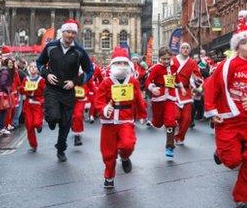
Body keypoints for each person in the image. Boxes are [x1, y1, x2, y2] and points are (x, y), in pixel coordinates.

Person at [203, 10, 247, 208]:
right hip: (228, 121)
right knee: (233, 161)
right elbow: (211, 87)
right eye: (244, 42)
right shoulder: (227, 66)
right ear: (237, 46)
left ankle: (242, 198)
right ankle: (222, 152)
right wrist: (211, 110)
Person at [36, 19, 93, 162]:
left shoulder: (79, 51)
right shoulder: (51, 46)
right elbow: (39, 62)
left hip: (68, 92)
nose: (70, 35)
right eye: (68, 32)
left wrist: (75, 82)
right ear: (63, 32)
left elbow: (89, 70)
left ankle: (61, 148)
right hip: (52, 89)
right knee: (54, 117)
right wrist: (46, 74)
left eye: (73, 33)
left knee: (66, 123)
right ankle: (50, 117)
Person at [94, 47, 147, 188]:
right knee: (108, 153)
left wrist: (142, 113)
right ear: (113, 65)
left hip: (125, 119)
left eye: (124, 63)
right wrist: (104, 108)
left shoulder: (133, 81)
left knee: (127, 144)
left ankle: (124, 157)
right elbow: (98, 100)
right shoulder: (106, 82)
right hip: (109, 122)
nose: (122, 66)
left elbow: (138, 99)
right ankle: (109, 176)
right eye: (118, 63)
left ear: (128, 65)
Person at [144, 47, 179, 159]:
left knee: (170, 121)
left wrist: (181, 87)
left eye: (168, 59)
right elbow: (148, 81)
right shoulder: (156, 68)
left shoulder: (174, 67)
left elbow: (176, 79)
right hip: (159, 97)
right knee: (158, 123)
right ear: (159, 58)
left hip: (170, 97)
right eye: (163, 59)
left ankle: (169, 146)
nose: (166, 61)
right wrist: (152, 88)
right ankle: (156, 121)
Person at [171, 42, 201, 145]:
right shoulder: (173, 60)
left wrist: (197, 85)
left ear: (189, 50)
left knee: (187, 118)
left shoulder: (192, 62)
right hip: (174, 90)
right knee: (176, 116)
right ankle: (175, 130)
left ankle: (180, 137)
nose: (185, 50)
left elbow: (197, 76)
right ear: (180, 49)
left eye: (187, 48)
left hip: (186, 92)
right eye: (183, 48)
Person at [18, 63, 45, 152]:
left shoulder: (41, 80)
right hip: (27, 104)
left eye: (35, 67)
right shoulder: (26, 79)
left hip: (37, 103)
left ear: (37, 69)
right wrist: (23, 88)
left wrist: (43, 100)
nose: (33, 69)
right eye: (31, 67)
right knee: (29, 125)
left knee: (36, 123)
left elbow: (45, 91)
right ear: (29, 69)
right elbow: (21, 89)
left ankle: (39, 125)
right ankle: (33, 145)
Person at [70, 70, 97, 146]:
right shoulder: (68, 72)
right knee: (71, 117)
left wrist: (95, 95)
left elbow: (92, 87)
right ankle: (73, 125)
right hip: (70, 100)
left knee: (78, 115)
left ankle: (77, 136)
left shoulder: (86, 75)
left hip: (81, 100)